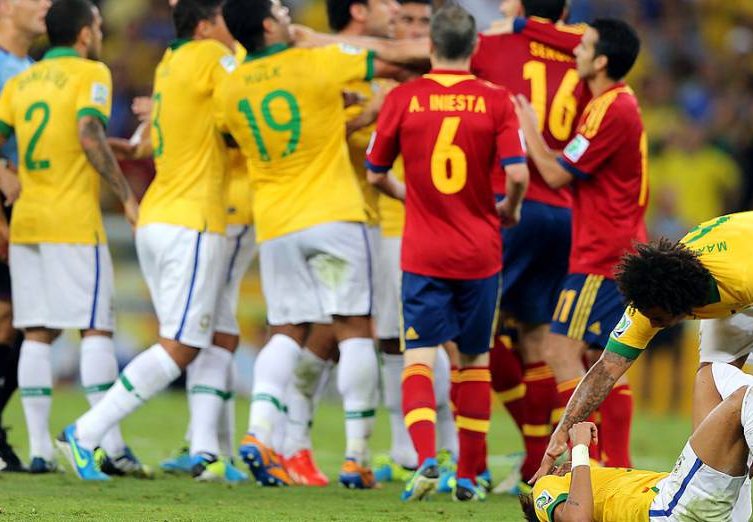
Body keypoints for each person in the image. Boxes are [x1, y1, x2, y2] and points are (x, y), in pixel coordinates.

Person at [219, 0, 408, 489]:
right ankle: (356, 456)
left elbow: (230, 137)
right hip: (333, 217)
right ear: (267, 25)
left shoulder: (230, 84)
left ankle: (260, 432)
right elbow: (393, 62)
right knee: (355, 330)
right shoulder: (316, 60)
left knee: (285, 329)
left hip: (277, 223)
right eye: (281, 13)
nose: (290, 19)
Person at [539, 211, 753, 508]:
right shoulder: (651, 297)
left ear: (681, 305)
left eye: (658, 318)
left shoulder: (744, 276)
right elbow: (606, 368)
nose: (653, 324)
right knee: (710, 401)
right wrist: (562, 430)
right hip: (742, 280)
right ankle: (734, 511)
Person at [56, 0, 238, 481]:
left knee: (210, 336)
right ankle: (86, 431)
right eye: (222, 19)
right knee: (179, 345)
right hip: (192, 219)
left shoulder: (170, 63)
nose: (229, 27)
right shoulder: (210, 58)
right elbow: (248, 108)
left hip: (159, 215)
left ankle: (203, 450)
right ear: (205, 25)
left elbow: (154, 138)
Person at [366, 4, 529, 501]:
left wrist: (408, 196)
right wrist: (509, 208)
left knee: (418, 355)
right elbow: (518, 173)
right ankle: (468, 475)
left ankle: (425, 460)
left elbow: (375, 174)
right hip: (480, 252)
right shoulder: (495, 100)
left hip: (423, 252)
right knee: (475, 361)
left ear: (431, 46)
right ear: (474, 47)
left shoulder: (404, 99)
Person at [0, 0, 145, 477]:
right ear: (83, 34)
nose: (99, 32)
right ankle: (105, 444)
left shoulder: (21, 81)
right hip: (73, 222)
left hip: (27, 220)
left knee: (36, 331)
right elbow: (89, 134)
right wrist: (129, 198)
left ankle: (39, 451)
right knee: (96, 328)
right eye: (96, 25)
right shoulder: (91, 73)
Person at [512, 17, 645, 472]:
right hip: (611, 246)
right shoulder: (609, 103)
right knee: (603, 357)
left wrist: (527, 124)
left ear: (602, 60)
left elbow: (552, 174)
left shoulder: (612, 108)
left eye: (585, 46)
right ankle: (614, 463)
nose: (577, 51)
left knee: (560, 350)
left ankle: (588, 457)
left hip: (602, 254)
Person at [467, 0, 588, 492]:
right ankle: (541, 463)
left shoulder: (495, 43)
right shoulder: (585, 52)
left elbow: (438, 57)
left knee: (475, 334)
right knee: (539, 339)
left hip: (510, 205)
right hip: (564, 211)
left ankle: (475, 466)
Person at [521, 363, 753, 522]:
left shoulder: (597, 483)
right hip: (672, 512)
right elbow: (578, 519)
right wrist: (579, 448)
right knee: (743, 398)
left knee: (709, 376)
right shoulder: (546, 488)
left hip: (699, 506)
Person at [364, 0, 463, 487]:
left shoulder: (454, 82)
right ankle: (408, 447)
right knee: (392, 338)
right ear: (393, 26)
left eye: (425, 23)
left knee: (443, 341)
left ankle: (448, 448)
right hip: (386, 225)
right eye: (407, 21)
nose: (415, 31)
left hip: (439, 228)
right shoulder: (381, 86)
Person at [0, 0, 49, 474]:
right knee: (2, 317)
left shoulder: (32, 69)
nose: (45, 4)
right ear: (4, 6)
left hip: (28, 204)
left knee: (36, 322)